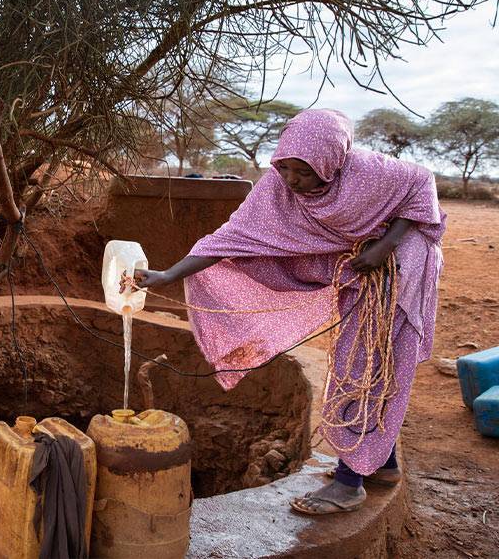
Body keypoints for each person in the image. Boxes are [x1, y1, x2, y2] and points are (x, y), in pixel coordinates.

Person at [134, 109, 445, 515]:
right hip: (359, 271)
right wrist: (169, 274)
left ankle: (350, 484)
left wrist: (385, 245)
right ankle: (379, 465)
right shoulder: (278, 187)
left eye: (303, 171)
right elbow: (232, 237)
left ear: (331, 162)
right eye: (284, 168)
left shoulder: (370, 172)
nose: (292, 180)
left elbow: (422, 181)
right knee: (364, 365)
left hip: (399, 270)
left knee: (368, 370)